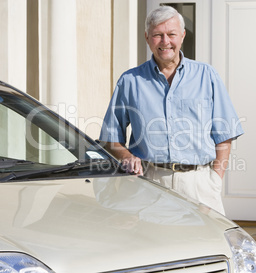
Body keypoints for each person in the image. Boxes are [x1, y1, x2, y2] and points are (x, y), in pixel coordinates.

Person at [99, 6, 243, 214]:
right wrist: (126, 156)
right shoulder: (130, 81)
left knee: (206, 243)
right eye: (158, 35)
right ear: (147, 37)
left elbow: (225, 134)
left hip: (199, 184)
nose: (165, 41)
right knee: (152, 243)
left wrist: (215, 180)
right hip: (148, 183)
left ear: (182, 36)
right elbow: (110, 138)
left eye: (171, 34)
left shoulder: (207, 76)